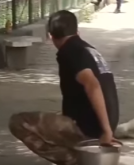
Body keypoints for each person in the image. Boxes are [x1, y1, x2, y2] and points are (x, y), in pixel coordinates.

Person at [8, 10, 121, 165]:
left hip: (91, 129)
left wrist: (106, 131)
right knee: (53, 119)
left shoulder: (69, 51)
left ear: (50, 36)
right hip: (101, 123)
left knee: (19, 122)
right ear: (77, 31)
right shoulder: (88, 50)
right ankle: (82, 156)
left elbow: (92, 85)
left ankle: (76, 160)